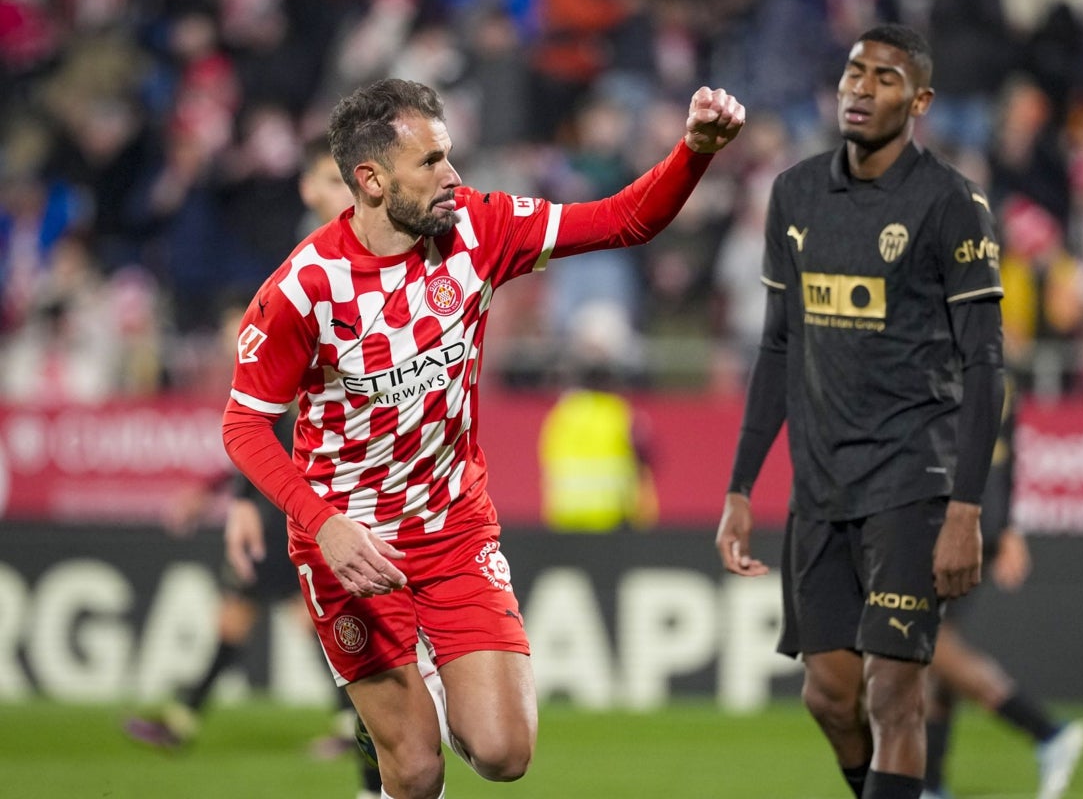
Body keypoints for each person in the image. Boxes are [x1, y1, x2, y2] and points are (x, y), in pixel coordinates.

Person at [222, 77, 743, 799]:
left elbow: (624, 220)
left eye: (450, 156)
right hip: (349, 546)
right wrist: (323, 524)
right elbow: (244, 424)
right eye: (430, 163)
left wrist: (694, 153)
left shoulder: (480, 227)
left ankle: (435, 664)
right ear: (371, 181)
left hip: (454, 531)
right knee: (413, 767)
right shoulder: (305, 289)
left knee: (502, 752)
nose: (453, 177)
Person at [715, 23, 1004, 799]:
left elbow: (985, 365)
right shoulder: (796, 193)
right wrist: (742, 486)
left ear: (920, 100)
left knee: (894, 695)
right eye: (853, 72)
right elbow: (777, 348)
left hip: (912, 483)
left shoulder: (948, 203)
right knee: (830, 697)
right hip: (820, 490)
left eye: (884, 76)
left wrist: (966, 509)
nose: (862, 88)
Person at [126, 141, 385, 799]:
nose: (351, 191)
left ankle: (359, 741)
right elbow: (267, 418)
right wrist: (238, 496)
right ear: (308, 190)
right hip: (301, 493)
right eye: (334, 180)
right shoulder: (307, 275)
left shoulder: (358, 265)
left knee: (334, 631)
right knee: (293, 624)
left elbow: (282, 414)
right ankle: (357, 759)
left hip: (349, 486)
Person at [923, 378, 1083, 799]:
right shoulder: (993, 358)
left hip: (956, 513)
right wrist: (1009, 524)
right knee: (935, 652)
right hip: (982, 510)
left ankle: (1046, 731)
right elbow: (1008, 448)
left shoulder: (946, 350)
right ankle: (931, 784)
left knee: (925, 641)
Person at [538, 300, 658, 532]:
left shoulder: (561, 414)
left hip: (564, 521)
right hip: (612, 523)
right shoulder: (621, 414)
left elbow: (548, 464)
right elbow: (647, 464)